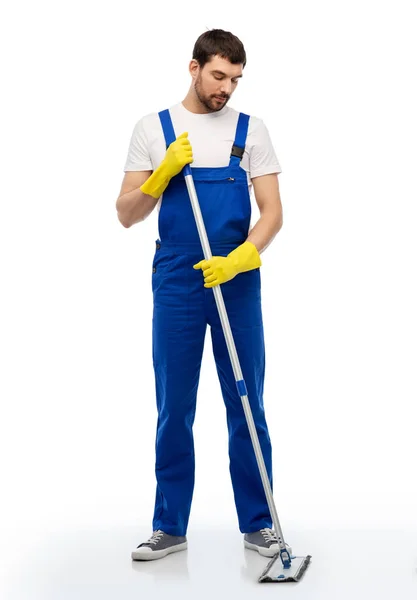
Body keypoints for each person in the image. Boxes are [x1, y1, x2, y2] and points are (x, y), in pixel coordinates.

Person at [116, 29, 288, 562]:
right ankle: (168, 526)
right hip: (177, 277)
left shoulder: (250, 130)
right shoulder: (154, 128)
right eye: (218, 76)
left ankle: (260, 524)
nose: (226, 89)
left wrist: (242, 257)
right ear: (194, 68)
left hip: (235, 276)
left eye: (235, 79)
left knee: (246, 399)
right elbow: (126, 213)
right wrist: (161, 173)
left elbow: (273, 213)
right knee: (175, 404)